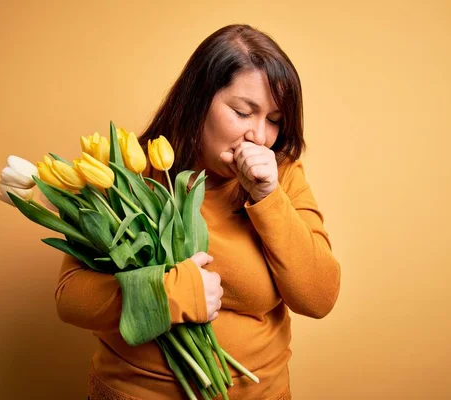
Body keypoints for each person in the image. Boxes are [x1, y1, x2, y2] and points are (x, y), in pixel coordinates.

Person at [56, 24, 341, 400]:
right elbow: (70, 297)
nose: (260, 136)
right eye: (243, 112)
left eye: (273, 120)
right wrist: (168, 294)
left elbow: (319, 297)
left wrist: (268, 197)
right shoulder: (129, 170)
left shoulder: (282, 176)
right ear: (198, 101)